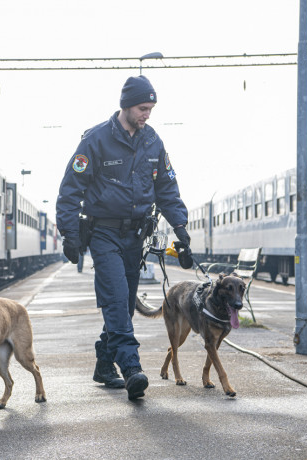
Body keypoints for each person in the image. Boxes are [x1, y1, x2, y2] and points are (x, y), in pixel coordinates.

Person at [55, 75, 190, 400]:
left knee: (125, 305)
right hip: (103, 235)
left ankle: (103, 365)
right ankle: (131, 368)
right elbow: (71, 189)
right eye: (143, 108)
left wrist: (182, 231)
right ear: (126, 105)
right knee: (116, 299)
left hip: (135, 238)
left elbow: (167, 190)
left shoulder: (153, 142)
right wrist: (70, 235)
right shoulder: (96, 140)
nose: (147, 114)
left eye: (151, 109)